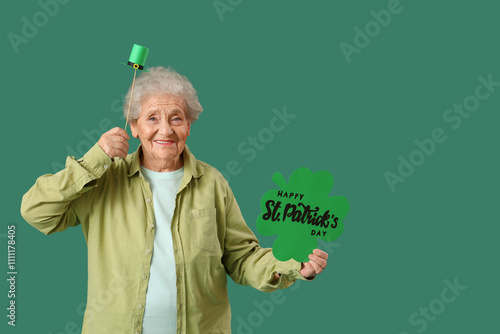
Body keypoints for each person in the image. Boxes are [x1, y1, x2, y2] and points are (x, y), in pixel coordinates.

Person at [21, 66, 328, 334]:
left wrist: (293, 265)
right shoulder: (103, 180)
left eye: (176, 118)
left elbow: (242, 259)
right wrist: (92, 161)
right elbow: (36, 211)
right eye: (152, 117)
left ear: (189, 126)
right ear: (135, 127)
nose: (165, 129)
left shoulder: (212, 184)